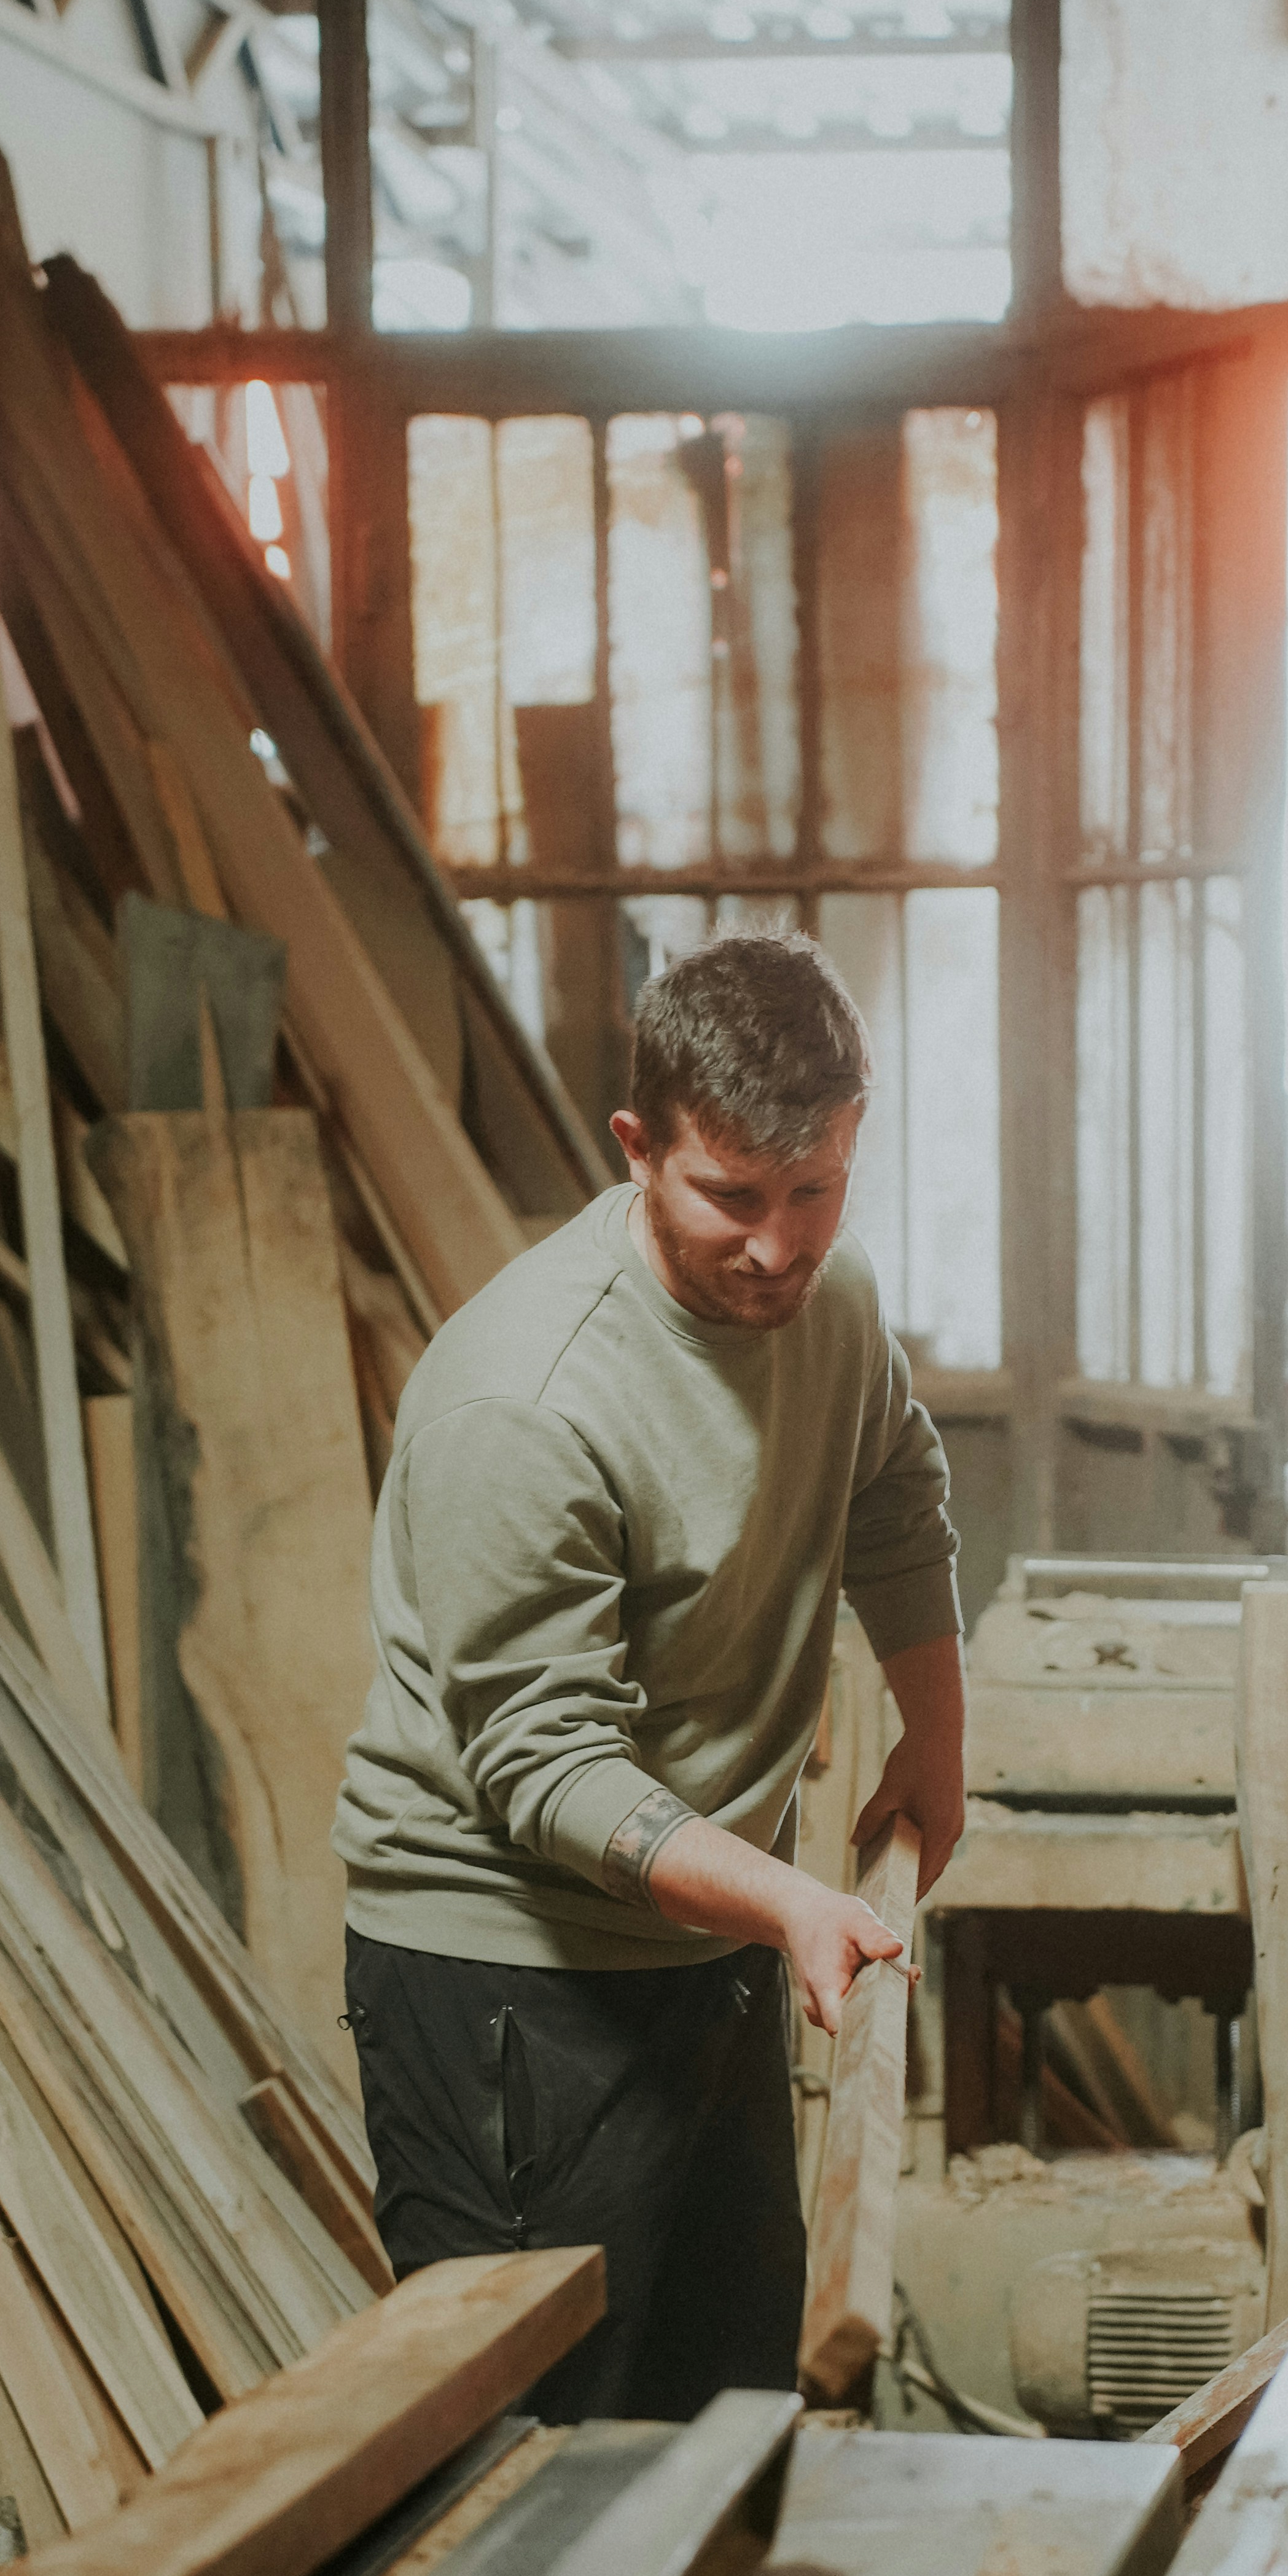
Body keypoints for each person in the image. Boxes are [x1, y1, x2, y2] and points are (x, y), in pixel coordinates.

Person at [334, 931, 964, 2421]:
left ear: (852, 1140)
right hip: (509, 1982)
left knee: (722, 2407)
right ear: (636, 1150)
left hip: (709, 1944)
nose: (775, 1245)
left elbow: (894, 1488)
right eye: (728, 1197)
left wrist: (932, 1738)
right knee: (527, 2452)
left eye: (813, 1191)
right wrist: (792, 1902)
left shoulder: (836, 1298)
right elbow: (544, 1771)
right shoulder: (527, 1399)